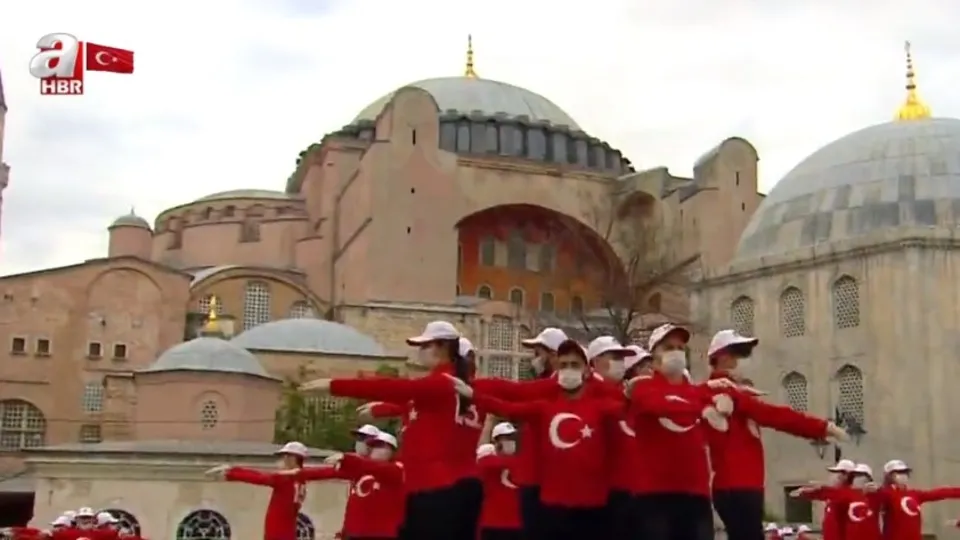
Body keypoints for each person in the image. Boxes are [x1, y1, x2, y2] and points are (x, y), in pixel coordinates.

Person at [301, 321, 476, 540]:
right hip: (436, 487)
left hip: (436, 490)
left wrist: (334, 386)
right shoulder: (448, 386)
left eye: (424, 346)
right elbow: (411, 402)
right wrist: (381, 409)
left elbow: (395, 388)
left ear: (442, 347)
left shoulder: (442, 382)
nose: (419, 352)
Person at [455, 339, 623, 540]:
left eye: (574, 365)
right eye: (563, 365)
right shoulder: (544, 407)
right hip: (553, 504)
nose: (568, 370)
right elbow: (510, 405)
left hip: (593, 505)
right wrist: (474, 394)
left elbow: (631, 408)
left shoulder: (602, 406)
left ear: (587, 371)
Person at [704, 329, 846, 540]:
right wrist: (821, 427)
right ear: (723, 358)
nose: (745, 361)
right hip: (737, 485)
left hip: (740, 485)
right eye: (741, 355)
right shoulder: (724, 393)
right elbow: (774, 416)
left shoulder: (734, 393)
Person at [627, 323, 732, 540]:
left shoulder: (696, 392)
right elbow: (656, 405)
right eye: (668, 347)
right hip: (655, 494)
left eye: (680, 347)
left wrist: (727, 400)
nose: (675, 352)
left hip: (695, 493)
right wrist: (703, 408)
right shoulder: (644, 388)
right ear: (654, 355)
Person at [472, 326, 569, 540]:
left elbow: (514, 393)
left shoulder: (556, 385)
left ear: (553, 355)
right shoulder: (547, 383)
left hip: (546, 477)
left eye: (538, 353)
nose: (534, 359)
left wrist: (474, 388)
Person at [205, 441, 329, 540]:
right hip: (288, 533)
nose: (283, 460)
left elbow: (260, 478)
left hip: (277, 533)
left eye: (285, 457)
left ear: (292, 458)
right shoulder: (301, 479)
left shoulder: (286, 478)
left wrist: (230, 472)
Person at [322, 431, 406, 540]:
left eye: (380, 446)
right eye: (373, 446)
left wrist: (346, 458)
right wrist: (297, 473)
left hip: (384, 533)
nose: (375, 450)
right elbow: (327, 472)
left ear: (392, 451)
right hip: (358, 532)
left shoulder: (397, 469)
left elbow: (379, 469)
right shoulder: (363, 470)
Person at [792, 463, 881, 540]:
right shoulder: (845, 494)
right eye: (854, 475)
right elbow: (825, 493)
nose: (856, 478)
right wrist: (805, 492)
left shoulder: (876, 494)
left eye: (860, 475)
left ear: (869, 478)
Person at [876, 458, 960, 540]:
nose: (903, 475)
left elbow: (939, 493)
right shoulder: (885, 493)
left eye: (905, 472)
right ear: (889, 476)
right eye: (898, 473)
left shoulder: (914, 494)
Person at [476, 423, 522, 540]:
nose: (511, 441)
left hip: (518, 523)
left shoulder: (522, 462)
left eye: (512, 438)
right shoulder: (487, 462)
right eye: (506, 438)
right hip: (493, 523)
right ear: (497, 442)